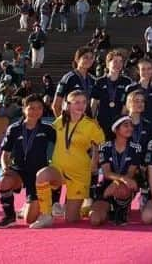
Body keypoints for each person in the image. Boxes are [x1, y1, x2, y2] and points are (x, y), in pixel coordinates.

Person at [30, 90, 104, 228]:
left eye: (83, 102)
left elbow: (100, 145)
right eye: (76, 102)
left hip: (79, 174)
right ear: (68, 105)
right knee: (42, 175)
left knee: (71, 219)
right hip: (58, 169)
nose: (81, 105)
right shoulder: (59, 122)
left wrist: (95, 161)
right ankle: (46, 215)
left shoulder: (91, 125)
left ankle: (86, 206)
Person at [0, 94, 56, 228]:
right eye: (31, 108)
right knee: (4, 180)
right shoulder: (14, 129)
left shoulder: (48, 129)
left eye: (39, 108)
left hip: (38, 175)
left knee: (30, 220)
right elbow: (5, 153)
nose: (35, 111)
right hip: (19, 171)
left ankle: (33, 204)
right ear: (24, 109)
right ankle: (9, 216)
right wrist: (4, 168)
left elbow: (62, 146)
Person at [89, 117, 142, 226]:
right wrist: (117, 181)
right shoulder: (105, 147)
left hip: (126, 183)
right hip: (108, 184)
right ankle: (111, 210)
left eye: (131, 125)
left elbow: (130, 174)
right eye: (126, 125)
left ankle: (122, 209)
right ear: (116, 129)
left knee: (124, 187)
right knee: (95, 219)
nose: (130, 128)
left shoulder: (136, 148)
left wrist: (117, 182)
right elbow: (107, 173)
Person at [91, 50, 131, 140]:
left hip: (119, 124)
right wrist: (92, 121)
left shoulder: (127, 81)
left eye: (121, 61)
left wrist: (121, 122)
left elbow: (127, 104)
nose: (118, 64)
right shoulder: (99, 82)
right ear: (108, 64)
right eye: (115, 61)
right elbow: (94, 104)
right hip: (102, 123)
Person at [52, 47, 96, 116]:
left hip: (86, 121)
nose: (89, 60)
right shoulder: (68, 78)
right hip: (70, 120)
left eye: (91, 58)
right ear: (77, 59)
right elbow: (56, 105)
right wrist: (62, 124)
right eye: (85, 57)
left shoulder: (93, 79)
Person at [127, 58, 152, 126]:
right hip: (133, 126)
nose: (146, 71)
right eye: (143, 69)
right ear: (138, 71)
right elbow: (126, 109)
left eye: (149, 69)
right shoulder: (130, 88)